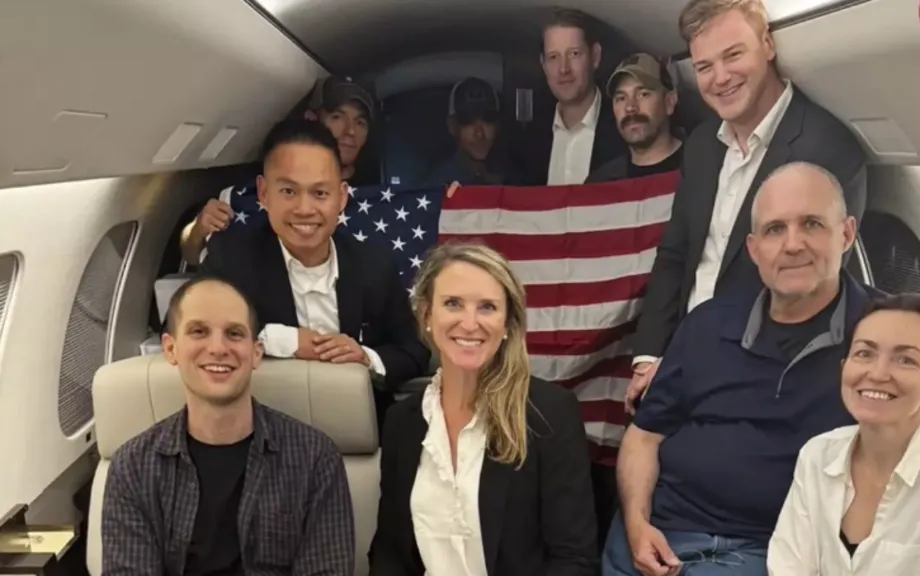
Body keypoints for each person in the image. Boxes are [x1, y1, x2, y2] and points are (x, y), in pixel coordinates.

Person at [602, 162, 920, 576]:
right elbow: (645, 435)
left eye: (812, 224)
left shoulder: (897, 336)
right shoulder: (706, 325)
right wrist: (637, 524)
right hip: (655, 538)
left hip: (777, 551)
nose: (793, 244)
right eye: (775, 229)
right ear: (753, 248)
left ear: (847, 233)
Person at [626, 0, 868, 411]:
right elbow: (676, 255)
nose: (720, 78)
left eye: (734, 55)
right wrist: (649, 357)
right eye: (704, 67)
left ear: (768, 46)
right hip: (681, 359)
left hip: (763, 375)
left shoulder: (827, 149)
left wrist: (709, 367)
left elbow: (808, 292)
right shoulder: (702, 147)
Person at [368, 242, 599, 576]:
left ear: (507, 324)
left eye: (487, 307)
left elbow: (573, 559)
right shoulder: (402, 422)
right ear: (427, 315)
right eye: (453, 304)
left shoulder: (549, 414)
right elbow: (389, 552)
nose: (470, 323)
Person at [101, 276, 356, 575]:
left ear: (256, 353)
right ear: (170, 349)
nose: (218, 348)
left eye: (234, 334)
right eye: (199, 331)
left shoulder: (315, 458)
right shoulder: (132, 468)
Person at [201, 119, 430, 429]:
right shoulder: (231, 259)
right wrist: (285, 340)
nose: (304, 209)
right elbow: (186, 329)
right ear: (264, 193)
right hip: (262, 433)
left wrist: (365, 357)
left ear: (342, 197)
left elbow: (414, 350)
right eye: (288, 191)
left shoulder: (374, 264)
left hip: (359, 432)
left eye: (320, 194)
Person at [767, 293, 920, 574]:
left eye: (905, 360)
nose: (878, 373)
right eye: (865, 353)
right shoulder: (817, 455)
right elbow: (787, 568)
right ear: (845, 368)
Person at [181, 76, 377, 266]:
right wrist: (198, 230)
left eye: (360, 122)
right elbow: (192, 255)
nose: (350, 131)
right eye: (337, 117)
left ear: (342, 196)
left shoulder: (380, 202)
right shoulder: (255, 192)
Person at [513, 8, 626, 186]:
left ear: (595, 57)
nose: (563, 69)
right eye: (553, 57)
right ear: (543, 65)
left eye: (574, 54)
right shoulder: (528, 141)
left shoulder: (625, 129)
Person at [586, 53, 684, 183]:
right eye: (621, 98)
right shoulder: (600, 184)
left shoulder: (703, 168)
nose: (630, 107)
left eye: (643, 94)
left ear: (669, 102)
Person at [426, 77, 520, 186]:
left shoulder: (514, 181)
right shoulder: (437, 186)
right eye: (468, 120)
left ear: (498, 125)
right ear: (452, 126)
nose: (479, 134)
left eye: (488, 119)